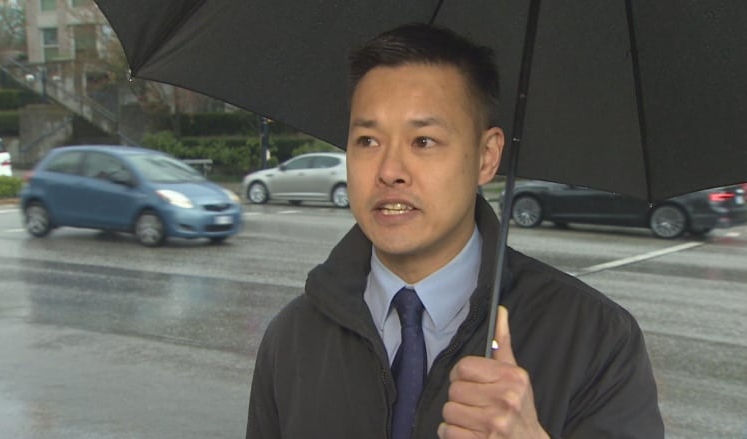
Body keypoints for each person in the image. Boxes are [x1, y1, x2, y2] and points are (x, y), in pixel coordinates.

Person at [246, 23, 663, 439]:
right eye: (368, 141)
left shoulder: (596, 340)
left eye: (423, 141)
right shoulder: (292, 339)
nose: (389, 171)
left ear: (486, 156)